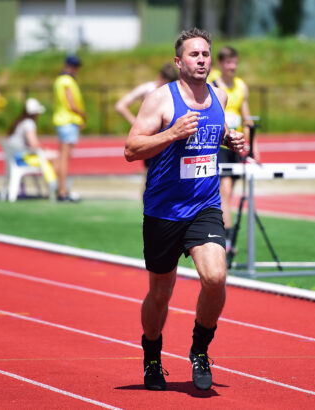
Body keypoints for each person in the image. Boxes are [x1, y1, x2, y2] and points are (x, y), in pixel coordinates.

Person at [124, 27, 245, 391]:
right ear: (179, 62)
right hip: (163, 211)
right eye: (194, 55)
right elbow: (131, 149)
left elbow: (214, 131)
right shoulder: (160, 100)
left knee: (215, 277)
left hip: (204, 206)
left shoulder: (219, 97)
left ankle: (200, 350)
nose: (202, 60)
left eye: (206, 54)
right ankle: (151, 356)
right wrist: (172, 133)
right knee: (161, 292)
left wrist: (230, 139)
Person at [208, 46, 258, 253]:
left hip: (236, 143)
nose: (232, 67)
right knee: (224, 192)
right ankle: (226, 239)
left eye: (235, 63)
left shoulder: (241, 86)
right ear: (220, 64)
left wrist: (252, 147)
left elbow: (248, 119)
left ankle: (226, 237)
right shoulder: (212, 84)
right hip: (220, 143)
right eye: (228, 63)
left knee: (229, 193)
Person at [7, 98, 58, 194]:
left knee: (49, 157)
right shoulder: (29, 123)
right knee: (53, 158)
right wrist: (43, 150)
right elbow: (33, 144)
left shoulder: (19, 122)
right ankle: (54, 186)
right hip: (22, 158)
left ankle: (53, 186)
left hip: (15, 157)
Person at [52, 55, 85, 202]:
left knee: (61, 156)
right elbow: (71, 103)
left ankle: (55, 185)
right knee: (65, 157)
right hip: (68, 121)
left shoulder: (59, 80)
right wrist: (82, 114)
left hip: (61, 120)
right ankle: (62, 191)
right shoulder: (67, 81)